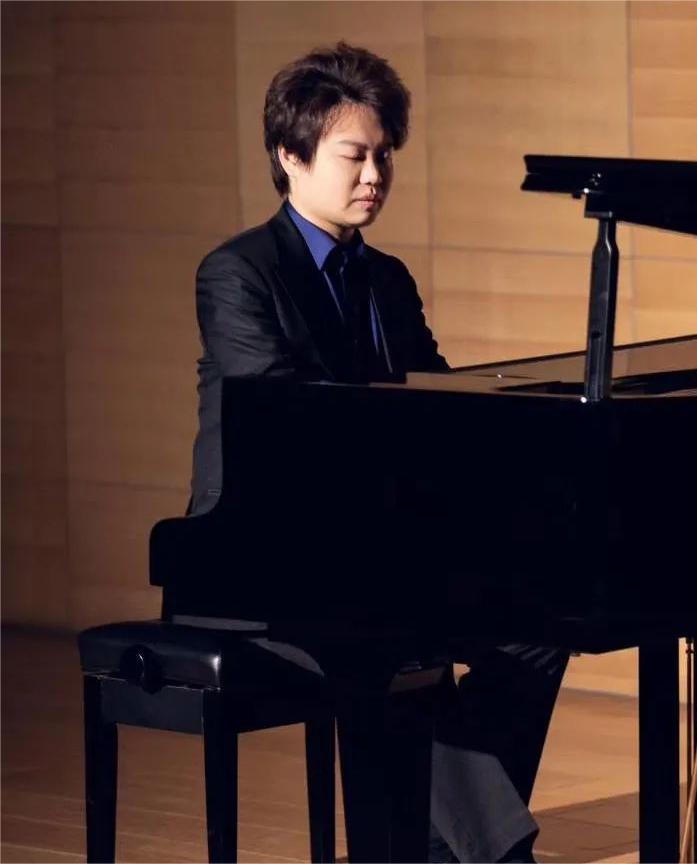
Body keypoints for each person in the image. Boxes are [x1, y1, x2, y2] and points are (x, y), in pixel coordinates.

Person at [186, 42, 567, 863]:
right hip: (254, 557)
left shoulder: (387, 279)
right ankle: (496, 852)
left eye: (384, 156)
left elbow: (439, 407)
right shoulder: (237, 274)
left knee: (540, 623)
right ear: (290, 156)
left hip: (369, 549)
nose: (374, 176)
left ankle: (444, 847)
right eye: (353, 156)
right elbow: (288, 427)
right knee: (388, 630)